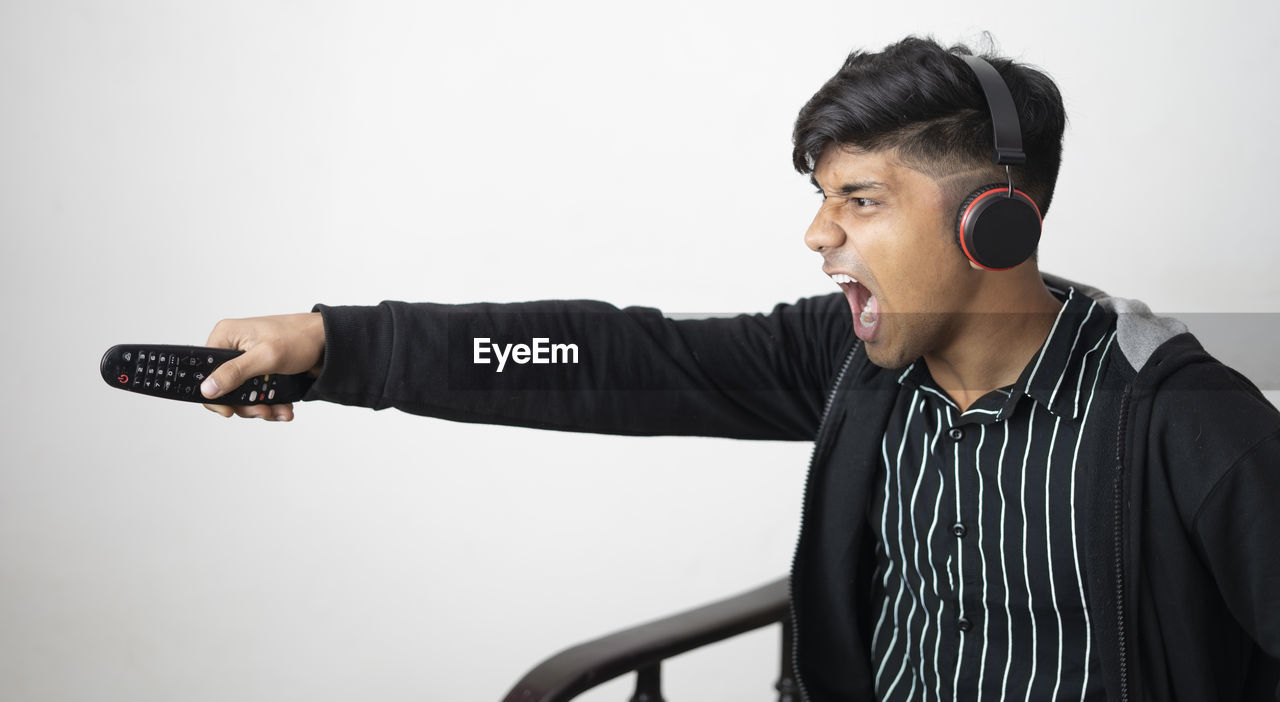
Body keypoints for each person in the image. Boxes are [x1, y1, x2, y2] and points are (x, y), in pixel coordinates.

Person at [199, 36, 1280, 701]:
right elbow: (609, 356)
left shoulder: (1187, 425)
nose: (817, 235)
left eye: (858, 198)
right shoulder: (849, 359)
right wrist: (339, 345)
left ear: (996, 221)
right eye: (819, 197)